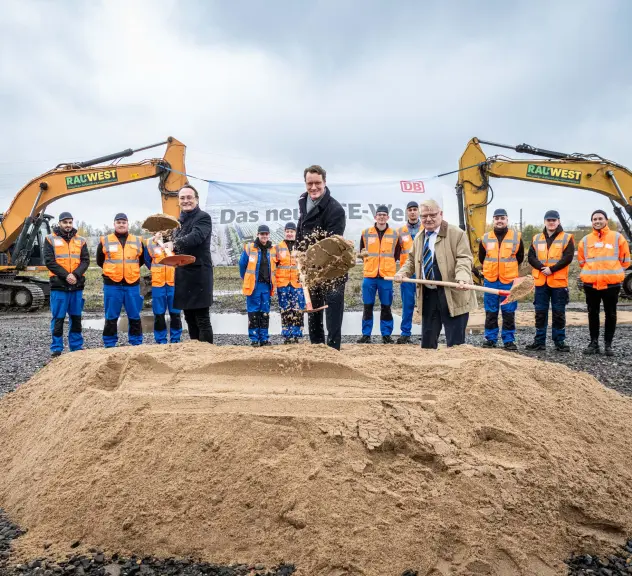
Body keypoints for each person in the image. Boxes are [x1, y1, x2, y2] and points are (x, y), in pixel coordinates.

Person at [395, 199, 474, 348]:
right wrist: (402, 272)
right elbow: (411, 260)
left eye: (432, 215)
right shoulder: (420, 237)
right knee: (428, 341)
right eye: (424, 216)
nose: (428, 219)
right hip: (428, 294)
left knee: (456, 343)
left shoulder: (456, 233)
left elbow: (464, 258)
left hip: (452, 293)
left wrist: (462, 278)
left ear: (441, 214)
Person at [296, 164, 347, 350]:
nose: (313, 187)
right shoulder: (303, 201)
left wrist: (310, 260)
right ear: (305, 183)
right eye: (310, 183)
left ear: (324, 183)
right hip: (310, 269)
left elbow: (331, 246)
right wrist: (298, 253)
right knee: (314, 311)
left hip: (332, 269)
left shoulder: (335, 210)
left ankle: (333, 351)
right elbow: (301, 230)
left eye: (317, 183)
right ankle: (317, 349)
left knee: (333, 314)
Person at [162, 184, 214, 343]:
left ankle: (208, 354)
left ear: (196, 199)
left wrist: (174, 244)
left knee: (202, 318)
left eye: (189, 197)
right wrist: (163, 238)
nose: (186, 201)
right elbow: (170, 242)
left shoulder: (203, 217)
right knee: (189, 317)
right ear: (178, 201)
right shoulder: (178, 222)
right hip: (184, 274)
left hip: (199, 274)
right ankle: (195, 353)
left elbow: (196, 237)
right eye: (182, 198)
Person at [578, 209, 631, 356]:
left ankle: (608, 345)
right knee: (592, 313)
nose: (597, 221)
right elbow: (582, 262)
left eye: (600, 218)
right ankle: (593, 343)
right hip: (591, 284)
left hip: (611, 284)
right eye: (594, 219)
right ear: (592, 222)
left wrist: (611, 271)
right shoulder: (586, 240)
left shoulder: (617, 238)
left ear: (606, 220)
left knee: (611, 314)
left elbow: (625, 262)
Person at [526, 210, 574, 352]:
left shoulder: (567, 237)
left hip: (558, 282)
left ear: (558, 221)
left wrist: (551, 269)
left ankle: (559, 341)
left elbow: (568, 257)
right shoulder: (536, 238)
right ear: (545, 222)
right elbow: (531, 257)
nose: (551, 222)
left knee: (559, 313)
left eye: (554, 220)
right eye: (549, 220)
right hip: (541, 282)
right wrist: (542, 268)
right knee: (540, 312)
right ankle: (539, 341)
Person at [43, 211, 90, 357]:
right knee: (58, 317)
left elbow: (85, 260)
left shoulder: (80, 240)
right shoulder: (50, 239)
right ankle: (56, 348)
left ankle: (76, 346)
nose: (68, 225)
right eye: (65, 222)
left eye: (70, 222)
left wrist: (75, 275)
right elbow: (49, 261)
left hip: (76, 285)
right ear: (59, 223)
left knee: (76, 317)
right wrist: (66, 275)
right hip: (59, 285)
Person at [97, 213, 146, 348]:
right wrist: (114, 271)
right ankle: (110, 344)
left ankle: (136, 343)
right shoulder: (105, 240)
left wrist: (129, 270)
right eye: (118, 222)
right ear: (114, 224)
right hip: (112, 284)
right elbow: (100, 260)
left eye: (124, 222)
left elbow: (140, 260)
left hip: (132, 283)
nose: (121, 224)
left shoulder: (137, 240)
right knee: (111, 315)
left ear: (127, 224)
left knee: (135, 314)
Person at [478, 208, 524, 351]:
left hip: (509, 281)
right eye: (497, 218)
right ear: (493, 220)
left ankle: (508, 340)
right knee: (491, 311)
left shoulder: (516, 237)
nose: (499, 220)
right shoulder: (485, 238)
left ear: (507, 220)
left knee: (508, 311)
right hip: (491, 280)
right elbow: (482, 257)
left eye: (502, 218)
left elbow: (520, 257)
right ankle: (490, 339)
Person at [357, 205, 401, 344]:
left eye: (384, 215)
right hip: (369, 276)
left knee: (386, 306)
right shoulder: (365, 233)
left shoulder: (394, 234)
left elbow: (396, 254)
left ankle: (386, 335)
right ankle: (366, 335)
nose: (382, 217)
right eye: (379, 215)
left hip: (386, 276)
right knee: (367, 306)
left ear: (388, 217)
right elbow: (362, 252)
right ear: (375, 217)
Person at [240, 224, 277, 346]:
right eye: (262, 234)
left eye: (266, 234)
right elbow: (242, 265)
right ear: (258, 235)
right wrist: (245, 279)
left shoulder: (272, 249)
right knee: (253, 312)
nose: (264, 236)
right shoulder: (250, 248)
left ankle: (264, 338)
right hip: (253, 286)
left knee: (264, 312)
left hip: (266, 286)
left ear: (268, 235)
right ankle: (254, 339)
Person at [144, 237, 182, 344]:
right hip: (158, 284)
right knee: (159, 313)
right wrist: (155, 271)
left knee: (175, 313)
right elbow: (147, 260)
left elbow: (181, 259)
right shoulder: (150, 243)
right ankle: (161, 340)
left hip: (173, 283)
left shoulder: (176, 242)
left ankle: (175, 339)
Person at [275, 222, 305, 344]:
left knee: (297, 309)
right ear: (284, 232)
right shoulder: (278, 247)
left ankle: (297, 334)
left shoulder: (300, 247)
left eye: (291, 231)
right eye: (287, 231)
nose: (289, 233)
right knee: (285, 309)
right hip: (283, 284)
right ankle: (287, 334)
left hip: (297, 284)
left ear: (295, 233)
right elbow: (274, 265)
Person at [396, 201, 422, 344]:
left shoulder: (425, 228)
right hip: (407, 274)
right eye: (410, 210)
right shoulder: (400, 231)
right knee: (407, 304)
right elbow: (395, 252)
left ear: (418, 212)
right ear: (407, 212)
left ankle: (427, 331)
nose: (412, 212)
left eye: (415, 209)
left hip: (423, 273)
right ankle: (405, 333)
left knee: (426, 303)